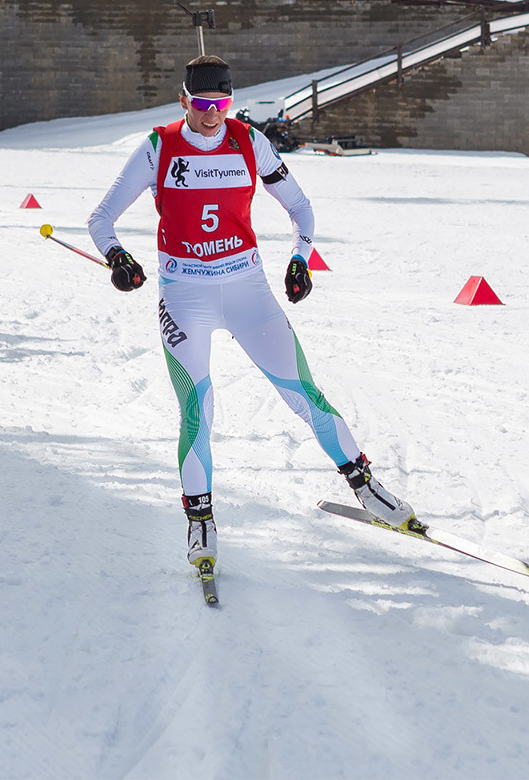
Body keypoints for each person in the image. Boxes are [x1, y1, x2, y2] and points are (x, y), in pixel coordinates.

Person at [86, 54, 420, 582]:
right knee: (197, 411)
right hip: (185, 295)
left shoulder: (249, 141)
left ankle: (367, 487)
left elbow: (300, 206)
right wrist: (117, 258)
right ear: (183, 100)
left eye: (221, 103)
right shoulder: (158, 147)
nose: (211, 114)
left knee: (304, 395)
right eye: (201, 104)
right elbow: (101, 218)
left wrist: (300, 258)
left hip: (248, 290)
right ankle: (200, 523)